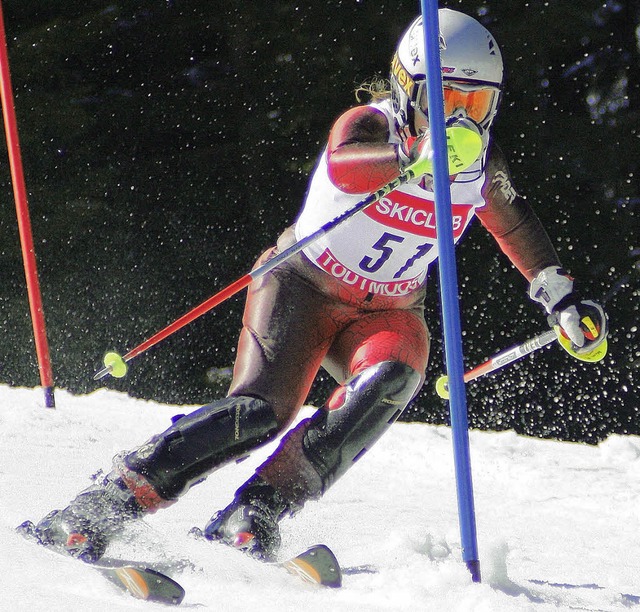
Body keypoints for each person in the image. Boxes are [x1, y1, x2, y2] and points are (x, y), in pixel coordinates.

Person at [21, 9, 607, 563]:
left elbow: (514, 220)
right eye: (443, 101)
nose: (459, 121)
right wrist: (413, 159)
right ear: (407, 90)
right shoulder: (370, 125)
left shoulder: (480, 163)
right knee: (258, 413)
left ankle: (256, 514)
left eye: (475, 104)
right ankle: (102, 505)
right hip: (302, 289)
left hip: (389, 311)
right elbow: (346, 163)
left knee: (391, 378)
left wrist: (559, 296)